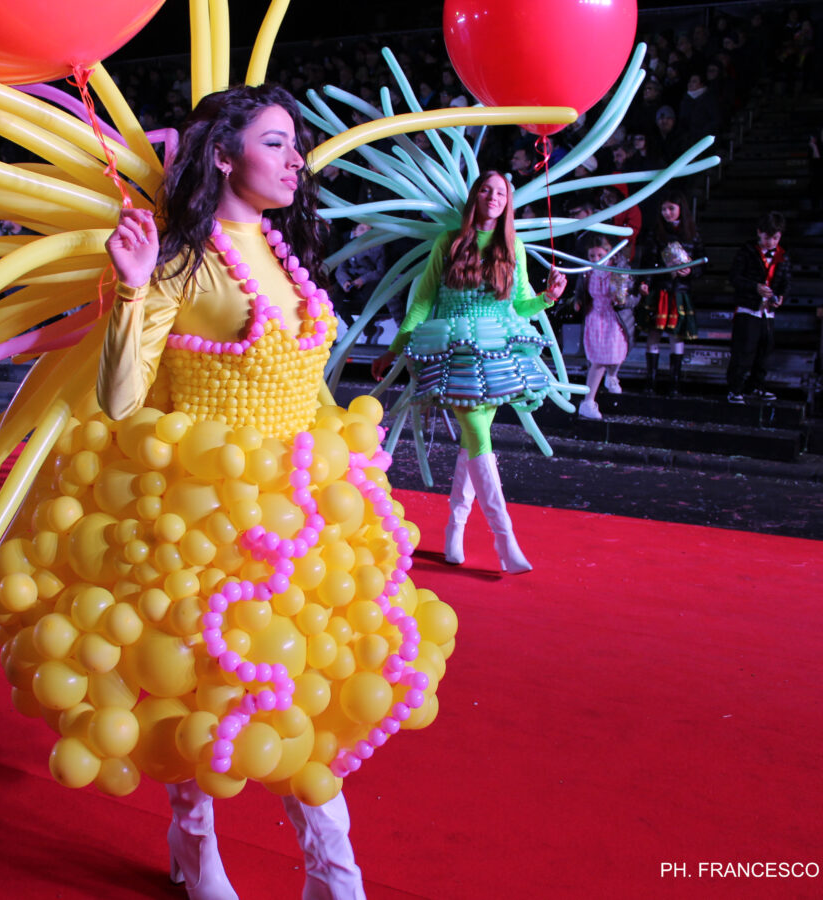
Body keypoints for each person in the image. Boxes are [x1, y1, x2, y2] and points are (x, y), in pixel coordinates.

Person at [95, 83, 435, 900]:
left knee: (302, 692)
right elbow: (120, 400)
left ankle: (332, 871)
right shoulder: (180, 261)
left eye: (295, 145)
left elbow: (304, 387)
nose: (295, 161)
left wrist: (351, 451)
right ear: (222, 155)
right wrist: (133, 288)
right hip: (206, 517)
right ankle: (196, 847)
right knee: (201, 688)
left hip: (301, 512)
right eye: (276, 143)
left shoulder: (285, 256)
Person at [370, 170, 567, 573]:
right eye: (486, 190)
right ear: (475, 196)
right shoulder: (450, 241)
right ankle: (505, 539)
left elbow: (521, 304)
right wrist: (394, 348)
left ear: (507, 202)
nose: (493, 197)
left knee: (472, 441)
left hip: (497, 352)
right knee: (478, 435)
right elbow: (424, 300)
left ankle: (454, 531)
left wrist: (548, 297)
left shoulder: (513, 245)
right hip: (454, 350)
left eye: (501, 193)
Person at [636, 189, 704, 395]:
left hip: (680, 291)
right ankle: (651, 380)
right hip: (660, 290)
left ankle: (675, 382)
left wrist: (690, 271)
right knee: (654, 333)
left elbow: (702, 264)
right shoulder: (655, 233)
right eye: (664, 209)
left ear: (681, 209)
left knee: (677, 335)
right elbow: (647, 261)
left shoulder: (692, 234)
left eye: (671, 208)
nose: (667, 213)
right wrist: (645, 282)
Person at [726, 212, 792, 403]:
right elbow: (735, 277)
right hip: (748, 309)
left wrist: (781, 297)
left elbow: (787, 282)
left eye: (775, 238)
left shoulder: (783, 255)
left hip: (768, 312)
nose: (771, 242)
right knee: (743, 351)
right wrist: (755, 287)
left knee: (764, 352)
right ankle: (735, 389)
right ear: (759, 233)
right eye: (767, 237)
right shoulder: (747, 251)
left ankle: (756, 386)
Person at [573, 233, 634, 420]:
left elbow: (631, 295)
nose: (596, 259)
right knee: (598, 360)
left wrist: (623, 300)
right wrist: (578, 301)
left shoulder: (620, 270)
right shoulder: (587, 271)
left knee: (617, 353)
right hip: (595, 318)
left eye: (600, 255)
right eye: (592, 256)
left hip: (614, 318)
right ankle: (588, 402)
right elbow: (580, 290)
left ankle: (612, 376)